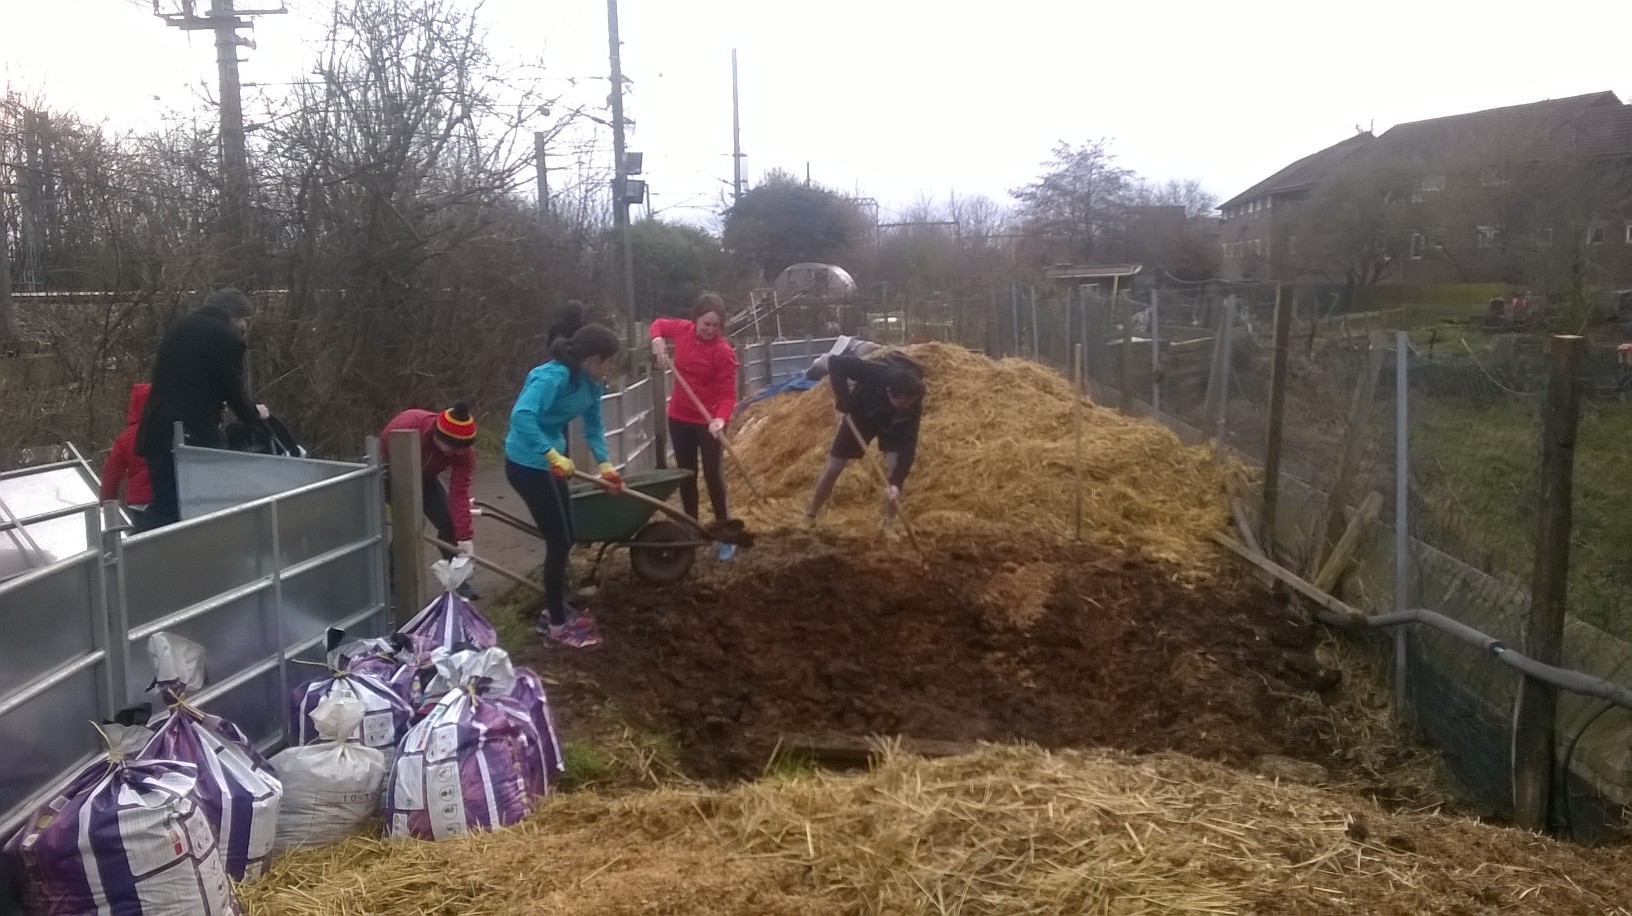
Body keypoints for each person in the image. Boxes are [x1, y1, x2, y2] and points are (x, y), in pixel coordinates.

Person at [505, 324, 624, 650]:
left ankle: (555, 608)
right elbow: (522, 416)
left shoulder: (592, 384)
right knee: (558, 541)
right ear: (594, 358)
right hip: (526, 463)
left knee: (568, 536)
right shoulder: (551, 377)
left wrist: (606, 467)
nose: (609, 368)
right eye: (608, 361)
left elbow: (595, 428)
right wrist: (552, 453)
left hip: (552, 462)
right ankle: (556, 624)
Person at [134, 287, 269, 532]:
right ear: (234, 316)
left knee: (165, 507)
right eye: (245, 322)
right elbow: (234, 391)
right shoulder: (227, 339)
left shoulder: (180, 326)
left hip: (156, 430)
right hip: (194, 437)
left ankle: (129, 556)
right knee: (206, 508)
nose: (245, 329)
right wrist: (254, 415)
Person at [650, 292, 740, 560]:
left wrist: (721, 419)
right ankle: (690, 528)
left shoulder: (723, 353)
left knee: (713, 475)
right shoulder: (682, 331)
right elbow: (658, 325)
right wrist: (656, 340)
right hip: (679, 417)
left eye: (716, 326)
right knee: (686, 474)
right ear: (696, 319)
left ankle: (726, 534)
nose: (710, 330)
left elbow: (728, 393)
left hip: (709, 422)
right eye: (706, 324)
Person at [804, 351, 925, 537]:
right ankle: (810, 516)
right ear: (889, 392)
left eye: (909, 404)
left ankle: (888, 524)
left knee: (895, 468)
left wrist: (896, 481)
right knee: (835, 466)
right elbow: (836, 362)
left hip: (893, 423)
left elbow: (909, 446)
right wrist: (843, 402)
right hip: (861, 415)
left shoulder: (910, 407)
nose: (906, 407)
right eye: (902, 403)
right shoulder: (877, 373)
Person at [381, 402, 481, 600]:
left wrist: (464, 537)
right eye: (451, 447)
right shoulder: (407, 428)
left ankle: (456, 576)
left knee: (449, 520)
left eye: (460, 449)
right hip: (390, 474)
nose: (454, 453)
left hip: (425, 478)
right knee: (410, 523)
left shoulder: (462, 451)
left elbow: (459, 494)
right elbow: (383, 456)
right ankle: (390, 581)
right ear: (436, 434)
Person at [99, 382, 154, 529]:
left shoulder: (125, 438)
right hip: (169, 498)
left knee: (142, 542)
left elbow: (111, 474)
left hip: (140, 501)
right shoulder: (169, 429)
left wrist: (107, 500)